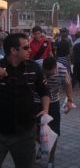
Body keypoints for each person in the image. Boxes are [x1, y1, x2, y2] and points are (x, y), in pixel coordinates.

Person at [0, 33, 50, 168]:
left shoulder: (34, 67)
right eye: (26, 47)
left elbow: (44, 91)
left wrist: (45, 109)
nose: (30, 50)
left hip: (25, 133)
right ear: (13, 50)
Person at [35, 57, 73, 168]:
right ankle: (43, 147)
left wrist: (70, 101)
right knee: (33, 131)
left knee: (54, 132)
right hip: (36, 101)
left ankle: (51, 159)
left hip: (53, 102)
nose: (48, 77)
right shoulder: (37, 66)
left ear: (56, 68)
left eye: (51, 74)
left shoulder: (62, 70)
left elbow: (67, 84)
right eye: (46, 74)